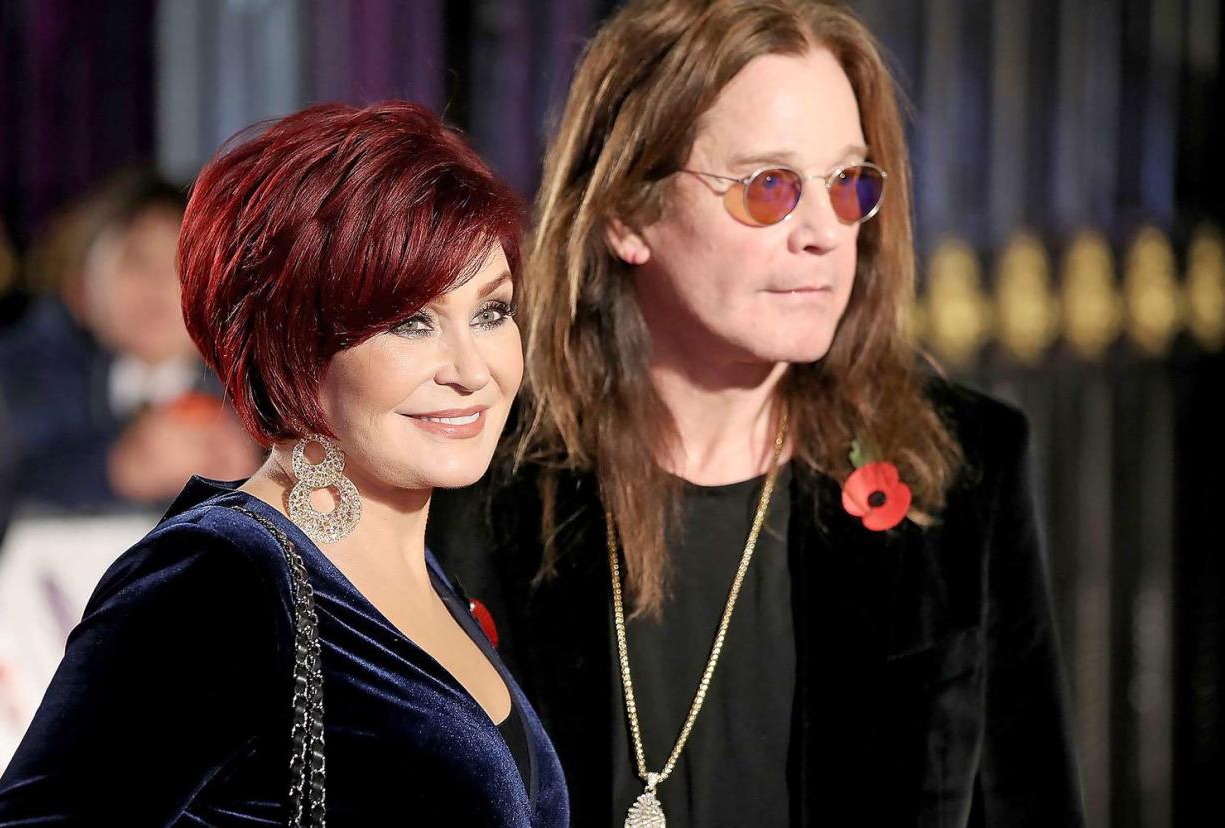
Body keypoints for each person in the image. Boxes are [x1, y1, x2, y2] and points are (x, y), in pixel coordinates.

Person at [428, 1, 1085, 826]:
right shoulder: (480, 483)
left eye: (849, 184)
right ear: (629, 212)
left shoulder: (961, 470)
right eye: (770, 187)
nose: (824, 232)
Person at [0, 101, 569, 826]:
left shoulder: (431, 573)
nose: (471, 369)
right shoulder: (223, 577)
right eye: (410, 322)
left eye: (491, 312)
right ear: (297, 345)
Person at [0, 171, 259, 568]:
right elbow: (4, 482)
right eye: (137, 260)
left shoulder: (260, 396)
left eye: (182, 264)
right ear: (82, 285)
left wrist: (258, 476)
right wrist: (117, 467)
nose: (157, 284)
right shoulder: (24, 379)